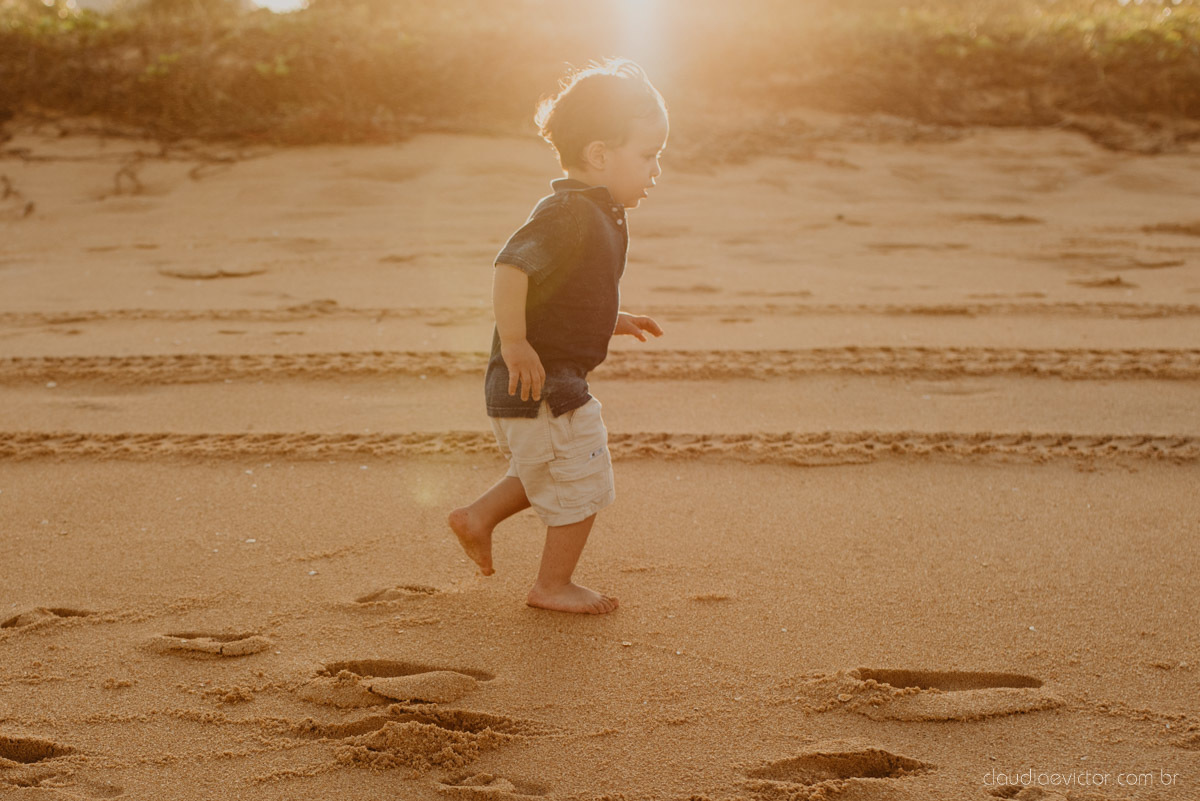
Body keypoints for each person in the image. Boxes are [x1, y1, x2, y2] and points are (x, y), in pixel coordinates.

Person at [448, 58, 669, 615]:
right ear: (599, 154)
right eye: (648, 156)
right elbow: (511, 267)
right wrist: (516, 343)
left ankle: (478, 517)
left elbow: (567, 294)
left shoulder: (596, 211)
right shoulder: (569, 212)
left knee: (547, 467)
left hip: (538, 385)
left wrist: (612, 317)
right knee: (583, 477)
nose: (656, 170)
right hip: (543, 383)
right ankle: (552, 585)